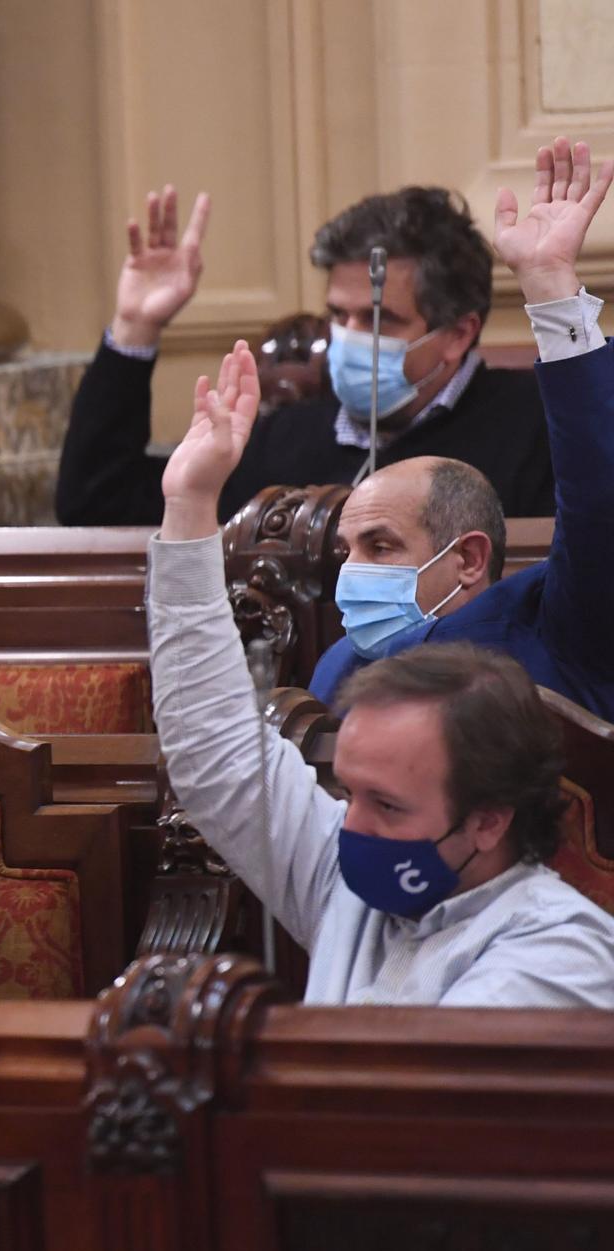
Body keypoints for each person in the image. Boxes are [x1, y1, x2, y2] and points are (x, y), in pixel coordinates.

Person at [149, 333, 614, 1007]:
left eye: (388, 804)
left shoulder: (556, 956)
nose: (352, 827)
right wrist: (190, 506)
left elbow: (407, 1098)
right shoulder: (353, 882)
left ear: (489, 819)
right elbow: (213, 746)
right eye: (350, 791)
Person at [312, 137, 614, 721]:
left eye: (380, 547)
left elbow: (600, 503)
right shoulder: (339, 667)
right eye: (347, 552)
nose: (351, 575)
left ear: (469, 560)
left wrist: (551, 290)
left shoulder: (551, 634)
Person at [56, 182, 554, 526]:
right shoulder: (285, 436)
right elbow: (99, 505)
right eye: (339, 315)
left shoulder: (539, 425)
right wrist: (136, 325)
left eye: (380, 320)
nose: (350, 337)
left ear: (458, 334)